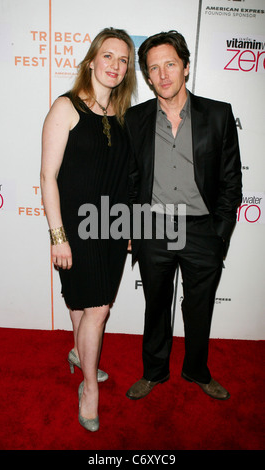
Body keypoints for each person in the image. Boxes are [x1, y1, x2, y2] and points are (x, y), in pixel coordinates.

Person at [125, 31, 242, 401]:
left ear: (186, 67)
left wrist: (219, 235)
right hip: (154, 228)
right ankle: (155, 372)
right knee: (156, 306)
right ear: (146, 76)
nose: (162, 75)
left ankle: (196, 370)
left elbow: (231, 180)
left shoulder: (218, 114)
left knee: (199, 308)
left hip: (202, 231)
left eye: (170, 64)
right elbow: (129, 181)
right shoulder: (135, 119)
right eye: (153, 68)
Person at [40, 27, 136, 431]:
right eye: (109, 56)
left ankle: (80, 355)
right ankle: (89, 390)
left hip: (112, 228)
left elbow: (123, 180)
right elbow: (48, 177)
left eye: (123, 60)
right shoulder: (66, 108)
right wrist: (58, 237)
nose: (115, 65)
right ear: (91, 60)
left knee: (84, 306)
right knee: (97, 309)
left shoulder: (123, 114)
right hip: (77, 230)